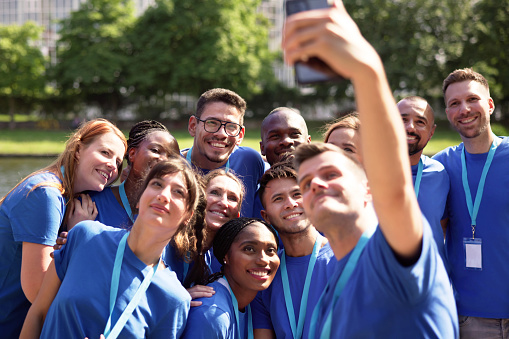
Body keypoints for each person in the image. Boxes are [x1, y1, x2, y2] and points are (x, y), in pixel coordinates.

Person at [285, 1, 457, 337]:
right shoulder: (332, 286)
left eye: (332, 173)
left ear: (368, 187)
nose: (316, 184)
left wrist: (366, 70)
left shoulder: (390, 254)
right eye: (305, 184)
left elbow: (394, 192)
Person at [20, 158, 202, 338]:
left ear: (187, 216)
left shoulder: (174, 299)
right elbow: (38, 314)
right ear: (139, 200)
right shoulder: (85, 236)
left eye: (178, 192)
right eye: (157, 184)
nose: (163, 195)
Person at [0, 119, 127, 338]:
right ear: (78, 150)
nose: (112, 166)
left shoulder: (64, 198)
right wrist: (78, 234)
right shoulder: (45, 194)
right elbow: (38, 291)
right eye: (105, 153)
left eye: (118, 162)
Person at [432, 68, 509, 337]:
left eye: (472, 99)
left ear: (489, 104)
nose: (464, 109)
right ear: (448, 113)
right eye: (454, 103)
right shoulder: (440, 166)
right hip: (470, 317)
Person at [252, 161, 336, 339]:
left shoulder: (345, 260)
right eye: (278, 198)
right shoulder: (265, 275)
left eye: (297, 194)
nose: (290, 204)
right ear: (266, 216)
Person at [182, 217, 280, 339]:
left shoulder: (245, 302)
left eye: (270, 250)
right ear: (226, 256)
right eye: (249, 249)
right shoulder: (212, 314)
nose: (263, 260)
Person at [182, 88, 265, 218]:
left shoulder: (249, 161)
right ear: (193, 126)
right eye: (212, 123)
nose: (222, 134)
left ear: (240, 135)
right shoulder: (173, 167)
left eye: (231, 127)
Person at [89, 120, 180, 228]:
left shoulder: (172, 214)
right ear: (132, 154)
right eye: (155, 150)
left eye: (172, 158)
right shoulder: (91, 204)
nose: (164, 160)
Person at [165, 168, 245, 287]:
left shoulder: (206, 261)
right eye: (215, 192)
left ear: (237, 215)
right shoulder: (168, 240)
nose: (223, 202)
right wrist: (183, 296)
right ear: (199, 198)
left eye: (232, 198)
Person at [397, 96, 449, 266]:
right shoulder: (367, 172)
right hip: (381, 283)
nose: (409, 127)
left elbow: (442, 225)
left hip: (429, 284)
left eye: (420, 122)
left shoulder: (439, 174)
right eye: (402, 119)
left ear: (431, 132)